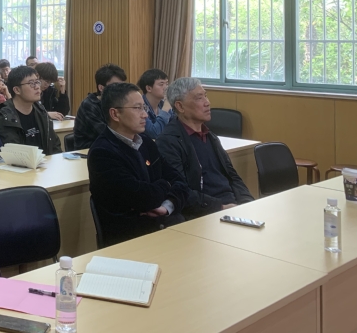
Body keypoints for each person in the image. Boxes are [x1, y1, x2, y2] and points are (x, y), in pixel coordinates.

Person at [88, 83, 189, 246]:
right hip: (131, 239)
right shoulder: (103, 152)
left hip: (166, 225)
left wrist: (167, 206)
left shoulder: (146, 142)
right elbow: (143, 198)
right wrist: (166, 184)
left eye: (144, 108)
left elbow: (180, 181)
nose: (145, 115)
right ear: (115, 114)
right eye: (137, 108)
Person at [156, 78, 254, 218]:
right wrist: (220, 207)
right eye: (199, 98)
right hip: (205, 213)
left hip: (232, 207)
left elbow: (232, 176)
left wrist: (247, 202)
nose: (207, 103)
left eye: (206, 96)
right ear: (180, 106)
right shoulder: (168, 141)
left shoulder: (210, 136)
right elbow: (181, 191)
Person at [0, 66, 62, 155]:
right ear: (17, 90)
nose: (37, 87)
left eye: (37, 82)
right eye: (31, 83)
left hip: (46, 162)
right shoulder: (5, 118)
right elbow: (15, 155)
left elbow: (54, 144)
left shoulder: (41, 111)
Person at [74, 64, 127, 150]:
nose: (120, 90)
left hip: (111, 147)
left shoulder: (118, 103)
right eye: (115, 86)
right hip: (89, 150)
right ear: (101, 88)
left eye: (122, 86)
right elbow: (106, 133)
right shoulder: (89, 105)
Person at [137, 68, 172, 140]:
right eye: (161, 84)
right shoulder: (139, 107)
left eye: (167, 84)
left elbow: (174, 127)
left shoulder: (162, 104)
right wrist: (166, 108)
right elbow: (153, 133)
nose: (166, 88)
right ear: (149, 88)